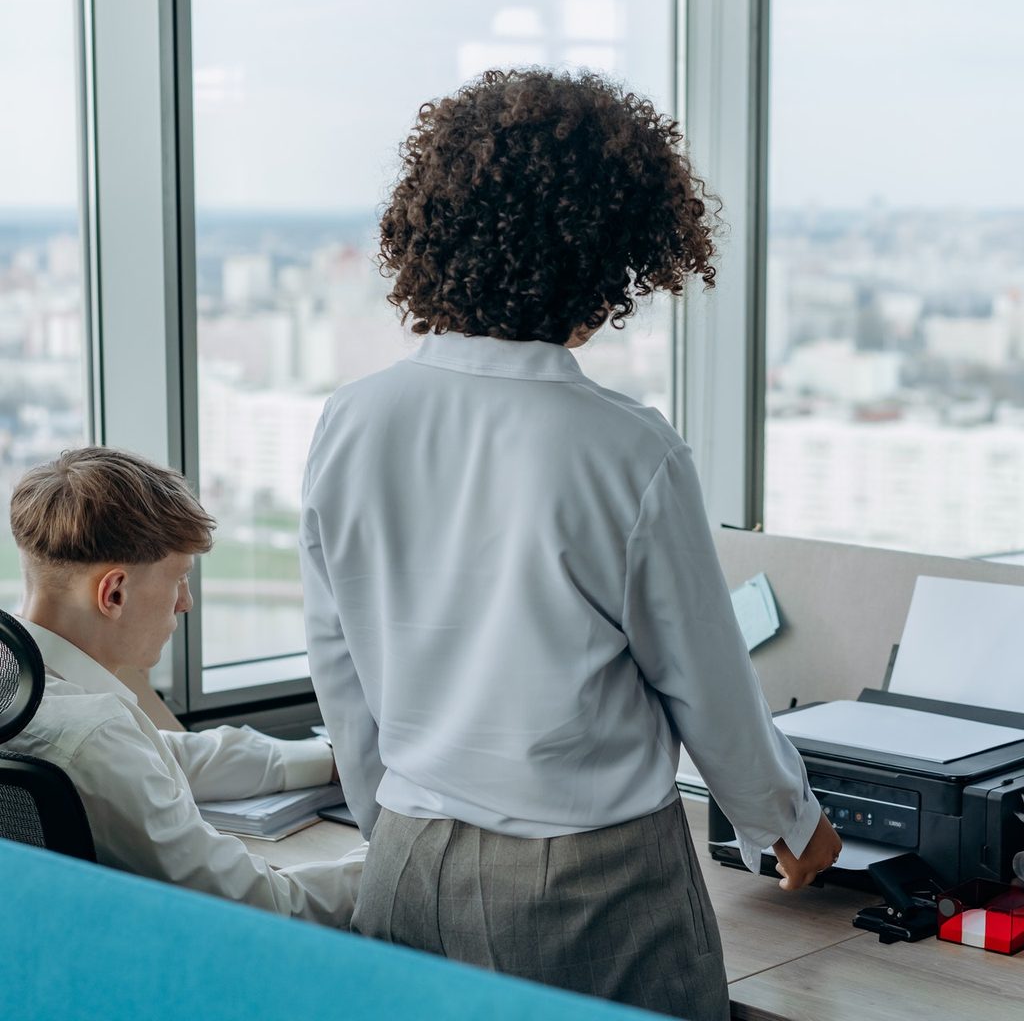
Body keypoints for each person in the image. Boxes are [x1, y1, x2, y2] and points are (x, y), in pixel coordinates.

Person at [300, 69, 840, 1019]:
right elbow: (706, 680)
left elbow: (337, 661)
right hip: (588, 888)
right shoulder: (625, 449)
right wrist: (787, 822)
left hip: (403, 864)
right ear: (603, 262)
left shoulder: (352, 420)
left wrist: (393, 819)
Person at [7, 446, 363, 927]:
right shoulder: (95, 735)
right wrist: (393, 866)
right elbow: (265, 908)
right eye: (178, 579)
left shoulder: (20, 684)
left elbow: (168, 756)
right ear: (113, 592)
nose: (185, 603)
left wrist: (329, 762)